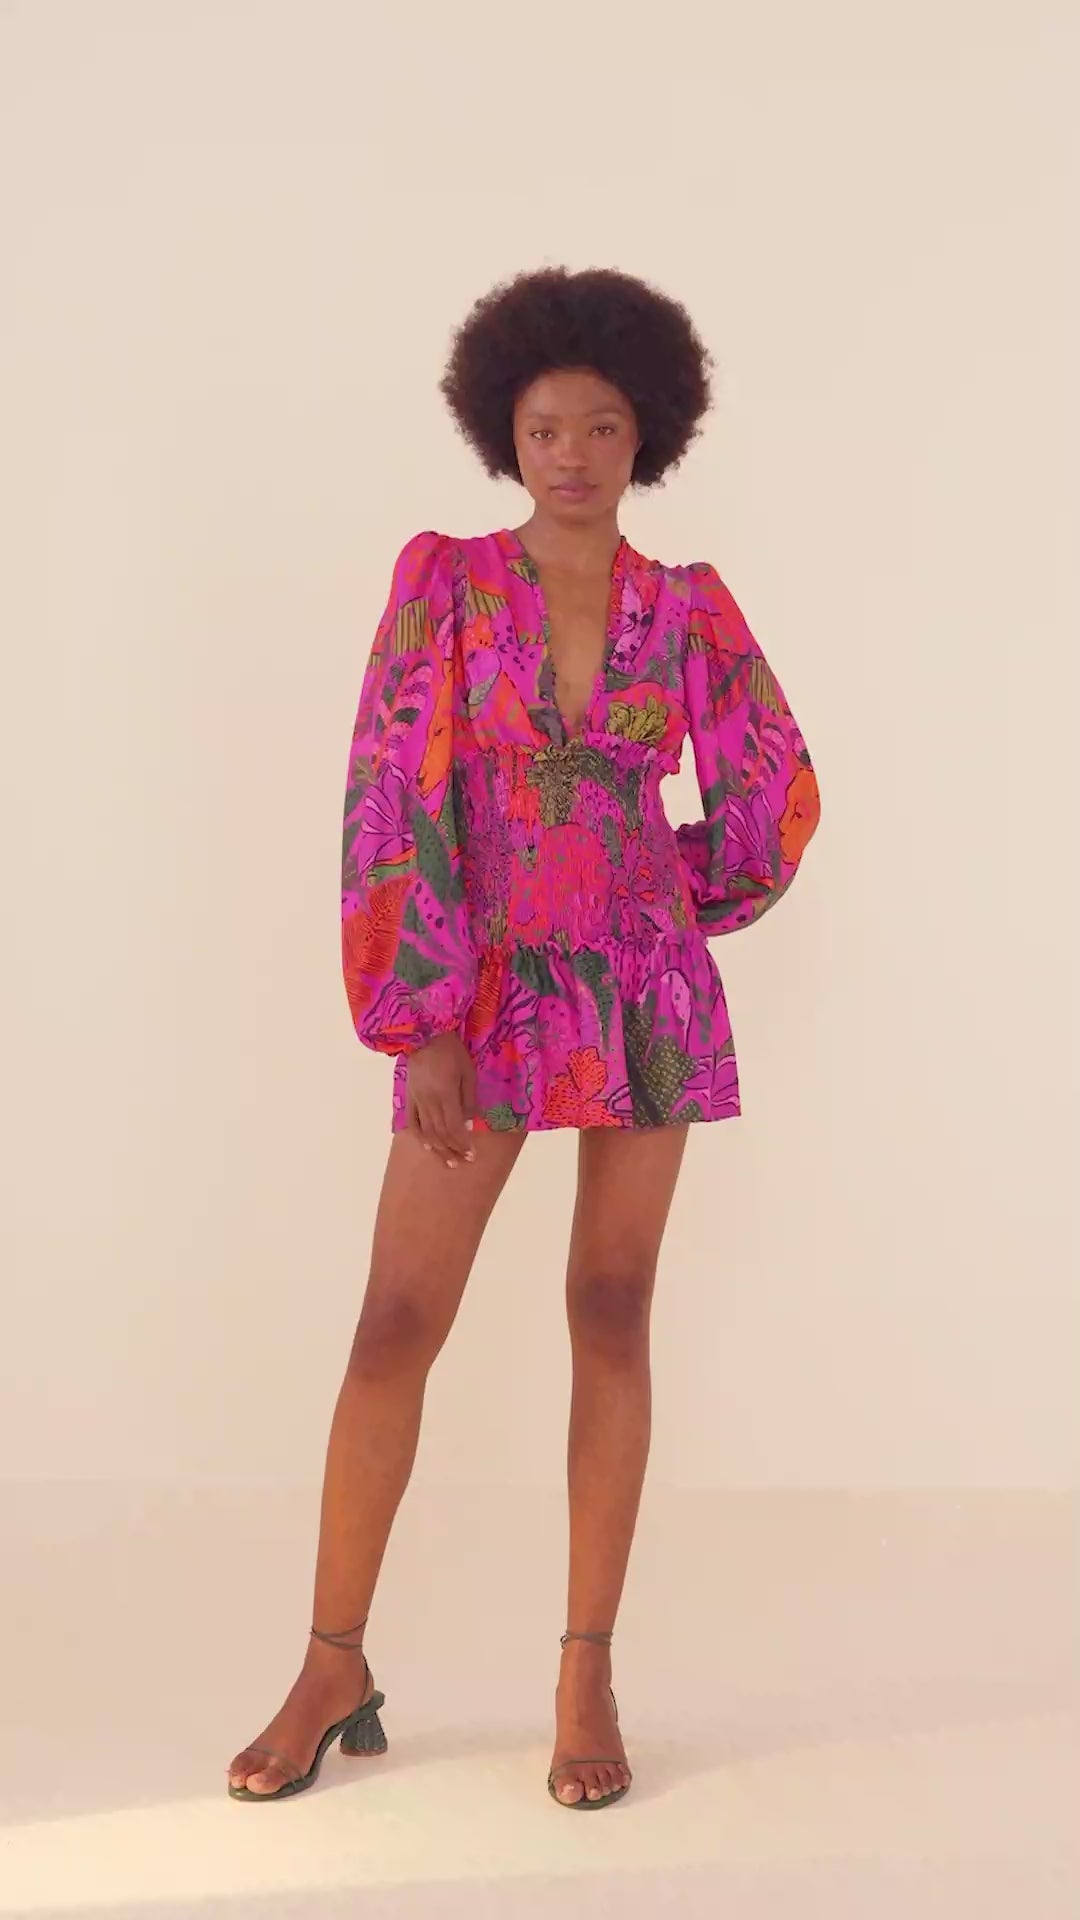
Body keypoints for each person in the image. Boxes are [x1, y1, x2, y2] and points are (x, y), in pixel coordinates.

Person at [227, 265, 820, 1811]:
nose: (571, 453)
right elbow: (390, 799)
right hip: (477, 997)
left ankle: (585, 1668)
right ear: (505, 430)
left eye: (602, 426)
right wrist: (416, 1015)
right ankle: (332, 1660)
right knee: (394, 1321)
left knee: (612, 1308)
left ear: (647, 435)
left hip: (642, 994)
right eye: (546, 426)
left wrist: (662, 903)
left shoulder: (690, 610)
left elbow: (774, 794)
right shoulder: (443, 584)